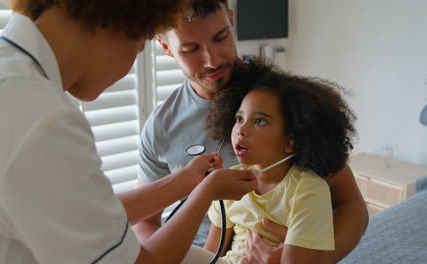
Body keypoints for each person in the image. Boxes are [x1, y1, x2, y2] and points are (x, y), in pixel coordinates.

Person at [0, 1, 258, 263]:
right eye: (139, 45)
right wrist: (205, 191)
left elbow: (85, 214)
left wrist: (186, 180)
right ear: (120, 26)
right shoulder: (41, 119)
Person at [134, 0, 369, 262]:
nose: (212, 60)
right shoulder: (161, 126)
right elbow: (144, 222)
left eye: (220, 37)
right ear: (166, 47)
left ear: (231, 20)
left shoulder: (283, 102)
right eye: (191, 49)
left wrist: (313, 257)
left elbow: (350, 204)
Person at [195, 60, 356, 264]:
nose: (241, 130)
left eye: (259, 121)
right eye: (239, 119)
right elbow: (210, 253)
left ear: (291, 140)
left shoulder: (308, 191)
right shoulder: (228, 183)